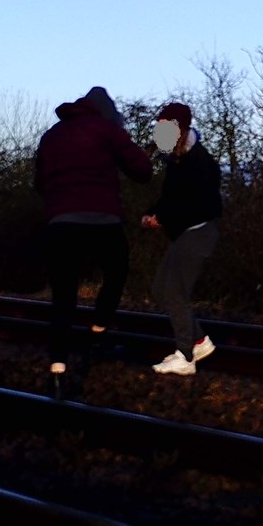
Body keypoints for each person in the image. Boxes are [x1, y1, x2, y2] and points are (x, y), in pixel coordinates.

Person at [34, 86, 153, 388]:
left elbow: (39, 183)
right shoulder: (107, 129)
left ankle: (58, 367)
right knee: (116, 270)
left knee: (64, 295)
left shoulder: (51, 136)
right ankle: (98, 330)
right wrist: (157, 145)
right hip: (103, 219)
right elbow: (141, 170)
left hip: (61, 222)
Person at [142, 102, 223, 376]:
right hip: (187, 232)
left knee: (175, 292)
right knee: (161, 288)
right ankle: (199, 342)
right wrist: (153, 212)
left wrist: (163, 217)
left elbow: (195, 205)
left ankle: (185, 357)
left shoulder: (201, 163)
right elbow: (170, 198)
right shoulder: (176, 159)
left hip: (199, 232)